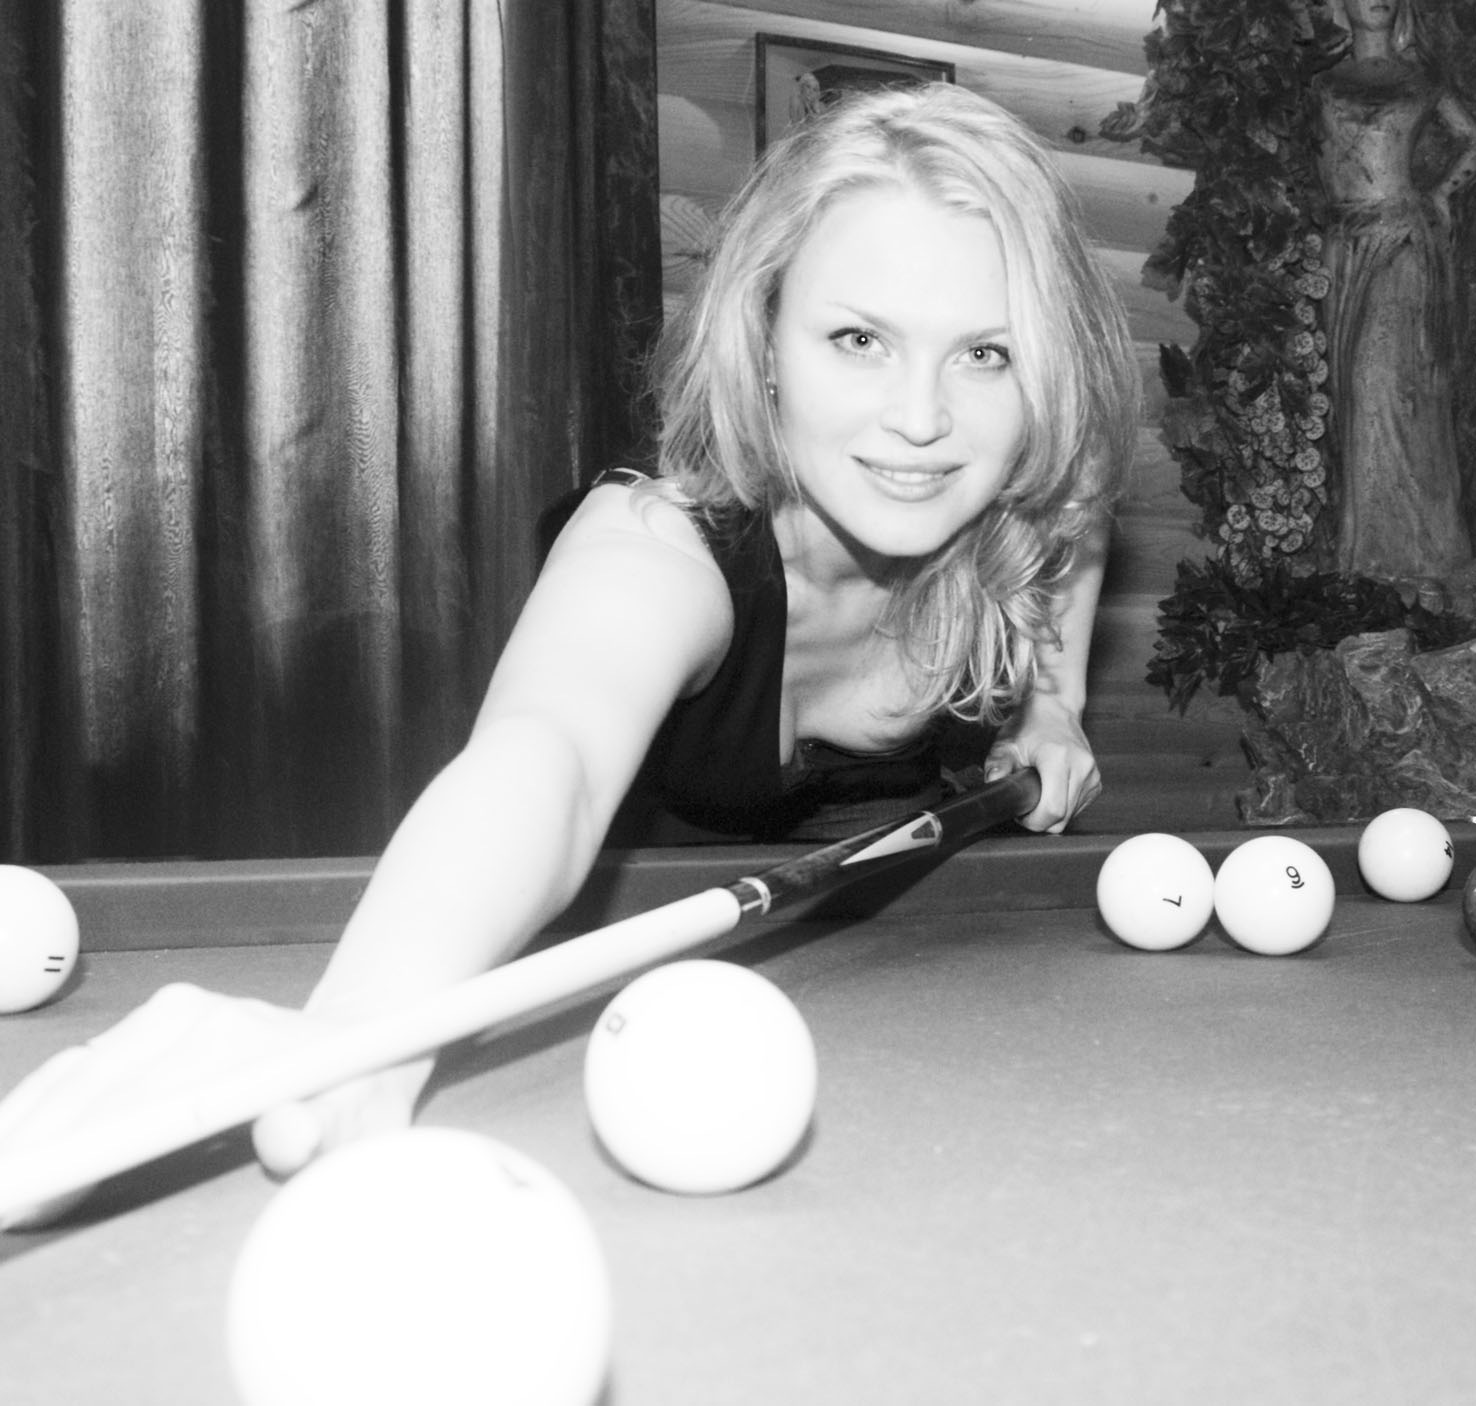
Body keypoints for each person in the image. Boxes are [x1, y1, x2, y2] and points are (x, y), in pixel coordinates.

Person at [0, 83, 1138, 1216]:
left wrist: (1054, 703)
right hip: (635, 905)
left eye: (987, 354)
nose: (923, 418)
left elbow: (1078, 500)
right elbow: (551, 757)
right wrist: (357, 1028)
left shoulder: (1028, 493)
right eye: (859, 339)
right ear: (765, 339)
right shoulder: (657, 547)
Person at [1314, 0, 1476, 579]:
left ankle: (1420, 557)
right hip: (1343, 244)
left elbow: (1471, 138)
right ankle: (1364, 556)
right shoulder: (1323, 82)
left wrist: (1439, 194)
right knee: (1348, 394)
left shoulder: (1420, 80)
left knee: (1393, 387)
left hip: (1401, 241)